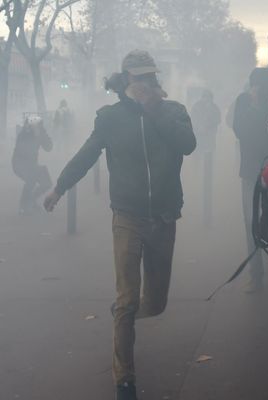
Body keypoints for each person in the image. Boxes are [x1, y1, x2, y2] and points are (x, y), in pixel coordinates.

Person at [44, 49, 196, 400]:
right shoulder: (110, 117)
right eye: (136, 77)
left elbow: (188, 145)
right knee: (127, 299)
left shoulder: (173, 111)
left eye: (148, 76)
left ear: (155, 78)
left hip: (163, 216)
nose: (142, 83)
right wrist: (59, 187)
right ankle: (124, 379)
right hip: (126, 217)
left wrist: (153, 109)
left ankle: (124, 314)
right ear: (125, 79)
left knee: (155, 303)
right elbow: (87, 153)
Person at [233, 67, 268, 293]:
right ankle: (256, 275)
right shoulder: (244, 102)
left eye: (267, 86)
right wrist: (255, 105)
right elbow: (241, 131)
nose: (263, 90)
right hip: (251, 173)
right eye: (258, 86)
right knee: (251, 222)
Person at [190, 89, 221, 227]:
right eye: (204, 97)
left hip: (209, 144)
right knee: (196, 165)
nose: (206, 99)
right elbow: (192, 119)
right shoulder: (196, 106)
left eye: (208, 97)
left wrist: (207, 125)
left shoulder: (214, 108)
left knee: (207, 173)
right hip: (198, 143)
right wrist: (198, 127)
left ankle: (206, 209)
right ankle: (193, 181)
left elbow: (218, 120)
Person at [12, 115, 53, 215]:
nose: (38, 127)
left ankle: (31, 200)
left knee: (47, 183)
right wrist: (33, 135)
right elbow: (23, 150)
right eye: (37, 126)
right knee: (31, 179)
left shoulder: (40, 133)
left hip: (32, 165)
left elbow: (48, 147)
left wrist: (43, 135)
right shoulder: (24, 134)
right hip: (19, 164)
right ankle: (23, 206)